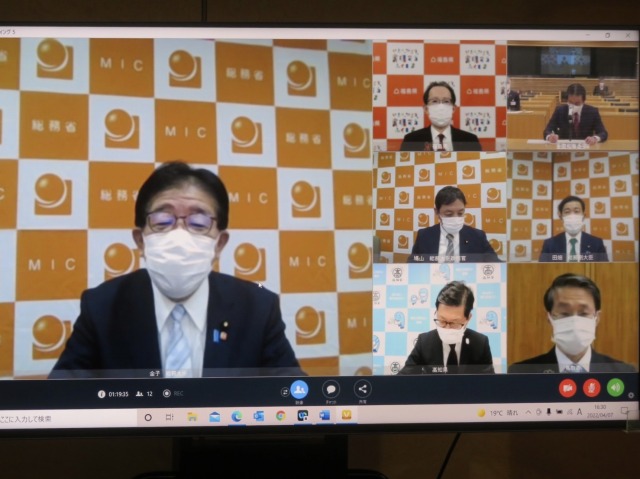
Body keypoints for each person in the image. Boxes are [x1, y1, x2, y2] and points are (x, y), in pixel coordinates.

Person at [50, 161, 302, 378]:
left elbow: (295, 394)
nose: (179, 236)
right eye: (162, 221)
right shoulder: (102, 307)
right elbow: (62, 397)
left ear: (219, 244)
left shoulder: (258, 308)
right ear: (140, 241)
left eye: (198, 222)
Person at [509, 273, 635, 373]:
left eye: (583, 313)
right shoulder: (520, 372)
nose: (575, 322)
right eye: (564, 313)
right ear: (549, 318)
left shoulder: (624, 372)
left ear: (597, 318)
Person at [399, 281, 494, 374]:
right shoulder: (424, 342)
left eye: (454, 323)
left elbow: (490, 382)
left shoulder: (480, 344)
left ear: (468, 318)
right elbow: (403, 379)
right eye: (442, 320)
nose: (447, 328)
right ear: (436, 312)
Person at [407, 186, 500, 263]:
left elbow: (495, 265)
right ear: (437, 212)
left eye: (460, 213)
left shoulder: (478, 236)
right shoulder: (424, 235)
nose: (456, 218)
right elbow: (413, 263)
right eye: (449, 214)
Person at [399, 81, 482, 152]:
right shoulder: (411, 140)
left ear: (453, 108)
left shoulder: (470, 140)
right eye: (434, 101)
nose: (441, 107)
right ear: (426, 109)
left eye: (446, 101)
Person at [539, 195, 608, 262]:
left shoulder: (596, 243)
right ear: (560, 217)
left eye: (576, 211)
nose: (572, 215)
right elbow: (542, 268)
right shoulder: (550, 244)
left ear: (583, 216)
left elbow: (604, 268)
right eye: (567, 212)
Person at [543, 83, 608, 145]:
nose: (573, 106)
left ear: (583, 101)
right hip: (564, 148)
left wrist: (595, 138)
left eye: (577, 103)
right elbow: (547, 130)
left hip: (586, 147)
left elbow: (603, 133)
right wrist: (550, 136)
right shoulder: (560, 110)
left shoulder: (592, 111)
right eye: (570, 102)